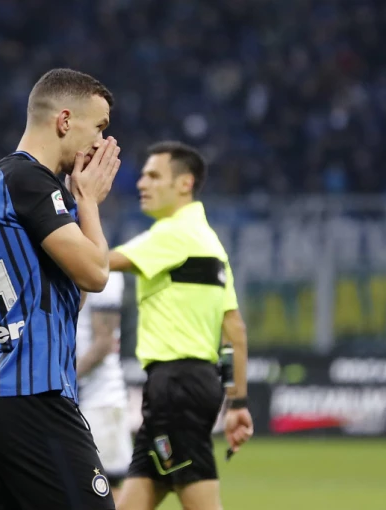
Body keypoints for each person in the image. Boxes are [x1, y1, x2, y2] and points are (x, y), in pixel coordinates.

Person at [0, 68, 121, 510]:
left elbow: (75, 295)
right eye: (99, 127)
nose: (101, 143)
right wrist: (89, 203)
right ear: (65, 121)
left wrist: (76, 205)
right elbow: (96, 275)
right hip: (32, 395)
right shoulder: (29, 180)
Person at [108, 141, 254, 510]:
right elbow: (234, 331)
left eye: (154, 176)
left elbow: (95, 265)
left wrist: (19, 265)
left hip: (176, 389)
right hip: (189, 386)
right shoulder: (210, 243)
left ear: (185, 183)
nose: (142, 183)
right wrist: (237, 401)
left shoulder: (173, 235)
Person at [76, 271, 132, 503]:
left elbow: (104, 342)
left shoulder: (104, 274)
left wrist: (65, 377)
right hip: (79, 400)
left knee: (106, 488)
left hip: (101, 401)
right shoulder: (73, 269)